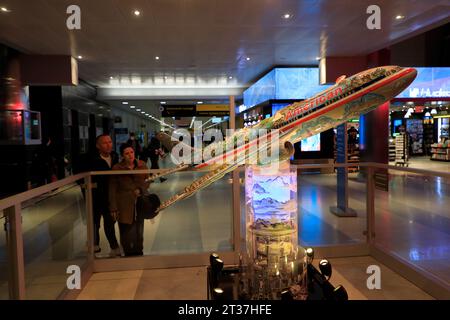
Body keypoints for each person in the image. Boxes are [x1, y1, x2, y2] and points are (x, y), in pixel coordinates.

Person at [109, 143, 150, 256]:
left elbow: (148, 180)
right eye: (126, 153)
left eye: (131, 152)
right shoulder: (117, 168)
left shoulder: (142, 165)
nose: (130, 155)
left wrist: (141, 190)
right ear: (122, 155)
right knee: (126, 230)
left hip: (139, 202)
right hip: (124, 203)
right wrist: (113, 207)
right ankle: (128, 253)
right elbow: (112, 189)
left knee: (139, 230)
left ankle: (139, 252)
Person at [90, 134, 121, 257]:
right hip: (96, 196)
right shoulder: (93, 159)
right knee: (95, 222)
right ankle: (94, 245)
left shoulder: (115, 156)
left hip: (110, 195)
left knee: (109, 222)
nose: (108, 145)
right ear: (98, 146)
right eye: (105, 143)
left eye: (110, 142)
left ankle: (114, 247)